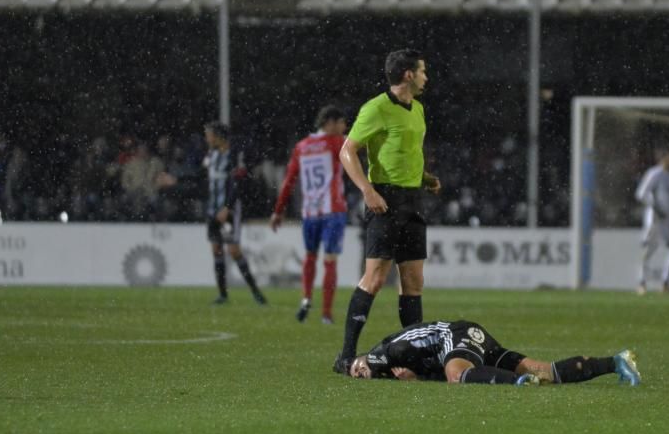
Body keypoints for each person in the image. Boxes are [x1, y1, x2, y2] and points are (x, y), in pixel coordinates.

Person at [333, 48, 441, 374]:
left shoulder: (418, 109)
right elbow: (346, 151)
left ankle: (414, 357)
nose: (426, 76)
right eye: (422, 71)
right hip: (386, 199)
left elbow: (405, 151)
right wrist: (367, 190)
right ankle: (346, 356)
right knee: (376, 278)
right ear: (408, 74)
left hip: (413, 201)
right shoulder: (376, 108)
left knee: (413, 281)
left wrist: (423, 177)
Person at [346, 319, 641, 387]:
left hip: (458, 335)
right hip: (473, 341)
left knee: (456, 374)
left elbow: (441, 353)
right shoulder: (394, 366)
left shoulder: (382, 353)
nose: (359, 372)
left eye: (356, 367)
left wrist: (358, 361)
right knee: (545, 371)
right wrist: (417, 378)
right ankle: (616, 362)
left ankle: (516, 384)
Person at [270, 106, 349, 324]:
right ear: (330, 123)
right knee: (330, 261)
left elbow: (289, 181)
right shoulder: (336, 143)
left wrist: (278, 211)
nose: (344, 129)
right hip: (333, 210)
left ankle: (305, 300)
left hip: (310, 212)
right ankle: (326, 313)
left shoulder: (302, 147)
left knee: (310, 257)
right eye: (342, 123)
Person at [204, 121, 267, 306]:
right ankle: (223, 295)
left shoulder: (234, 154)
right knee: (216, 249)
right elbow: (203, 177)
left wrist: (227, 206)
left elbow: (238, 183)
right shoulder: (210, 154)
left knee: (234, 250)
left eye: (209, 134)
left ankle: (256, 293)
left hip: (228, 210)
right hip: (212, 209)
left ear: (218, 136)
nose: (207, 138)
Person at [635, 148, 669, 294]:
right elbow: (641, 194)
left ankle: (665, 282)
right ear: (663, 158)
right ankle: (642, 283)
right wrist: (655, 207)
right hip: (655, 219)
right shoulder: (655, 173)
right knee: (648, 250)